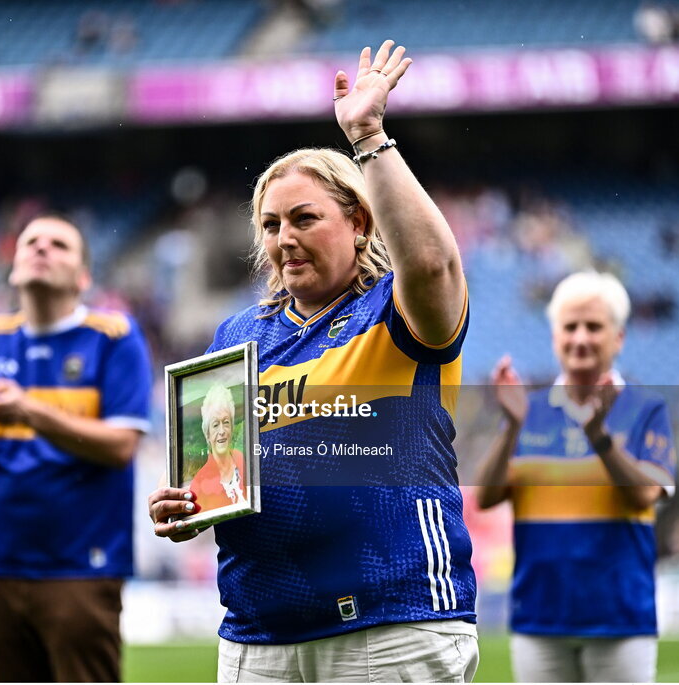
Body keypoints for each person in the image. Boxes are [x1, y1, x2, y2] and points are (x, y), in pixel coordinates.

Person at [148, 41, 479, 683]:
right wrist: (191, 508)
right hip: (257, 636)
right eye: (270, 225)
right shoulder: (237, 335)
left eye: (304, 218)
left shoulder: (398, 311)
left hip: (392, 626)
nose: (284, 239)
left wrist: (368, 136)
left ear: (359, 223)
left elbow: (434, 263)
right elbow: (222, 478)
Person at [0, 214, 153, 682]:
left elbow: (122, 446)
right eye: (30, 242)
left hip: (81, 563)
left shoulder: (114, 336)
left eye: (58, 244)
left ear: (83, 277)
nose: (41, 249)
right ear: (13, 265)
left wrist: (29, 413)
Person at [474, 271, 676, 683]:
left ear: (618, 337)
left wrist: (599, 437)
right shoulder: (525, 410)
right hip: (539, 618)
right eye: (570, 326)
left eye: (594, 326)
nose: (580, 338)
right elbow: (487, 496)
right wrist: (511, 427)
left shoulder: (647, 409)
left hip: (619, 619)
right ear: (554, 337)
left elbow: (643, 495)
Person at [189, 383, 247, 511]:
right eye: (215, 425)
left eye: (226, 422)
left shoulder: (244, 460)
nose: (222, 431)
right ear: (207, 434)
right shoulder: (200, 482)